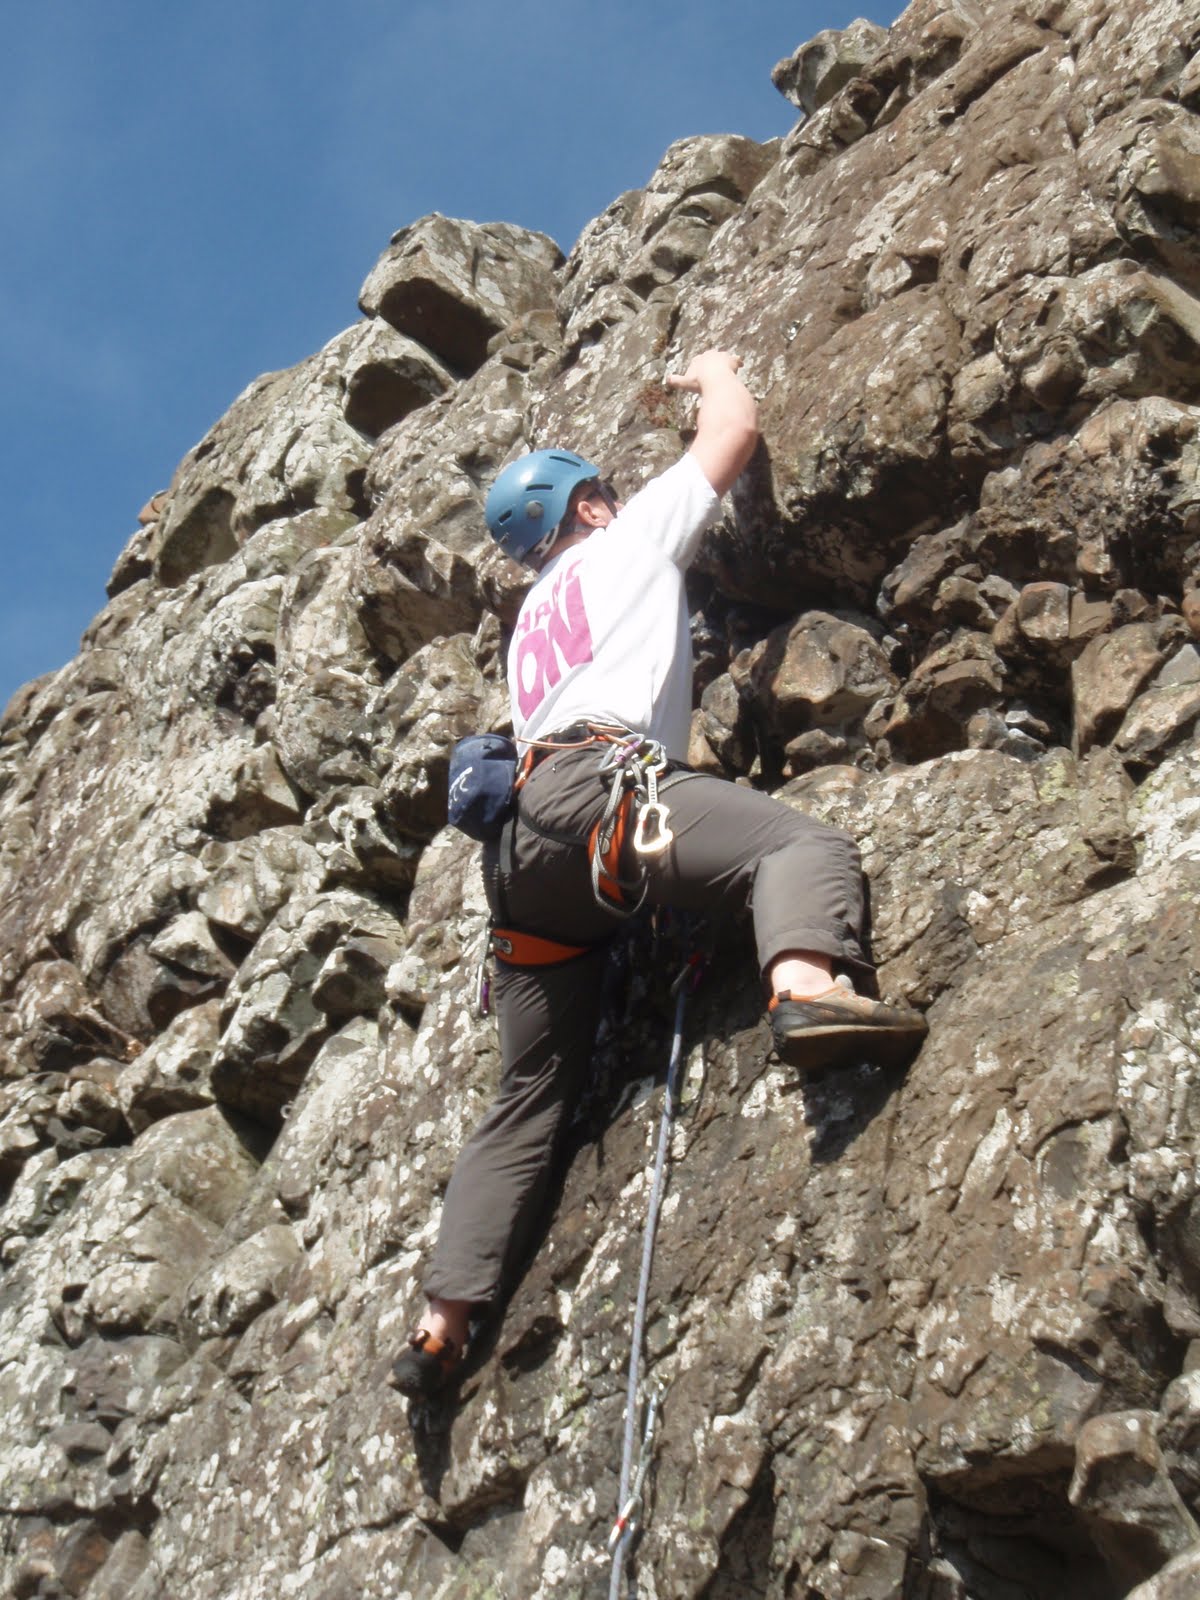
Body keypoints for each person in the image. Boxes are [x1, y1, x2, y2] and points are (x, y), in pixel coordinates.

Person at [390, 350, 926, 1398]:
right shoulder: (627, 542)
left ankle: (440, 1321)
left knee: (529, 1090)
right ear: (588, 508)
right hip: (601, 799)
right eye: (605, 492)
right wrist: (716, 369)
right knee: (800, 846)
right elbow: (731, 434)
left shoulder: (531, 620)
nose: (623, 499)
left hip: (520, 859)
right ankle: (810, 995)